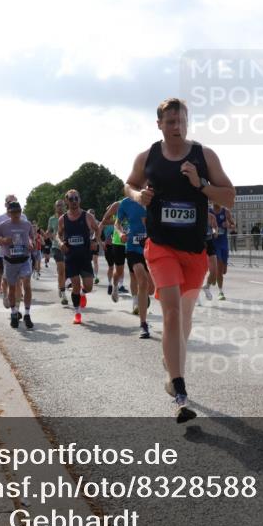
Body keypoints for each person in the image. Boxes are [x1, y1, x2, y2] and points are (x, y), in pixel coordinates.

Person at [124, 97, 235, 423]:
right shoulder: (149, 157)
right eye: (170, 122)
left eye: (181, 121)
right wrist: (137, 195)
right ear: (159, 124)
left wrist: (200, 184)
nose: (176, 127)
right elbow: (129, 183)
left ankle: (170, 366)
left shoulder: (204, 156)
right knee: (171, 311)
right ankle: (180, 391)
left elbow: (229, 196)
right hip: (160, 247)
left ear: (188, 123)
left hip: (194, 251)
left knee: (184, 320)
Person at [0, 201, 36, 328]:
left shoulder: (26, 224)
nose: (16, 214)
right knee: (12, 288)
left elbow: (31, 237)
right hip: (10, 261)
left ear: (21, 211)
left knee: (26, 284)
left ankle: (27, 314)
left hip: (24, 259)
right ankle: (14, 313)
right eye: (13, 212)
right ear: (9, 213)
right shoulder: (3, 225)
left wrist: (31, 243)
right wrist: (3, 240)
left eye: (18, 212)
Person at [59, 190, 101, 325]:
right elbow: (57, 235)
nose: (74, 201)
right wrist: (60, 243)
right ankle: (77, 313)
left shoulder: (87, 216)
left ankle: (83, 293)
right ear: (66, 201)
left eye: (76, 198)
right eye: (70, 199)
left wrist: (94, 240)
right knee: (75, 284)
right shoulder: (63, 219)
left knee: (88, 287)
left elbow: (97, 228)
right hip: (70, 257)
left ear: (80, 199)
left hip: (85, 257)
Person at [116, 195, 151, 338]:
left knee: (151, 288)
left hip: (152, 248)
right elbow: (117, 223)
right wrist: (120, 233)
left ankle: (143, 298)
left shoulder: (153, 198)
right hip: (133, 248)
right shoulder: (126, 202)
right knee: (142, 281)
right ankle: (143, 325)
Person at [98, 201, 127, 302]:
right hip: (114, 244)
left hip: (127, 242)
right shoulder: (117, 207)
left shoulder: (142, 203)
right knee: (115, 268)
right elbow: (101, 225)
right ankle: (112, 285)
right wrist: (101, 243)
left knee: (128, 269)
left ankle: (122, 286)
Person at [48, 199, 69, 305]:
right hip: (56, 246)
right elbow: (50, 231)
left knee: (66, 271)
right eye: (58, 206)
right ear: (55, 207)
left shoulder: (68, 217)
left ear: (65, 206)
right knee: (61, 269)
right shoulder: (52, 219)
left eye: (61, 205)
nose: (60, 207)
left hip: (68, 247)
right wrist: (51, 236)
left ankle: (60, 285)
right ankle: (64, 294)